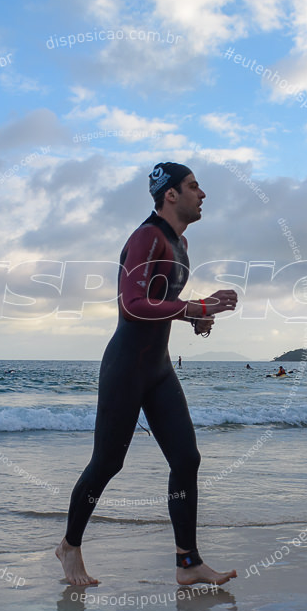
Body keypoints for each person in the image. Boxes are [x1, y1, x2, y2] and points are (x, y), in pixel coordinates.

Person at [56, 162, 239, 587]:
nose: (203, 193)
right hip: (125, 367)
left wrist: (195, 318)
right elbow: (133, 305)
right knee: (107, 463)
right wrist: (197, 307)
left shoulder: (182, 244)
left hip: (157, 368)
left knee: (187, 459)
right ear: (170, 194)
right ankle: (69, 546)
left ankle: (188, 563)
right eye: (194, 186)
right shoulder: (145, 237)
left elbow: (161, 302)